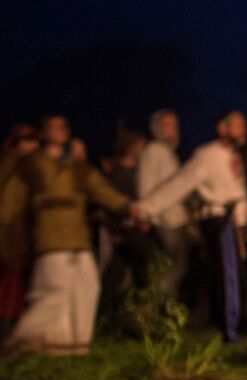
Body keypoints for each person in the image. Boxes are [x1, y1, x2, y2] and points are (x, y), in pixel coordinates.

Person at [4, 115, 144, 354]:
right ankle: (22, 340)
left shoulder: (78, 167)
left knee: (88, 288)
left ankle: (74, 345)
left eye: (65, 126)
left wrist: (129, 207)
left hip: (79, 239)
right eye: (56, 126)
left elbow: (102, 191)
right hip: (50, 239)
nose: (63, 129)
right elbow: (11, 202)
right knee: (55, 292)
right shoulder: (31, 165)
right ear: (44, 133)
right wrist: (11, 241)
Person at [135, 111, 247, 342]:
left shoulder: (234, 156)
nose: (243, 129)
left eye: (244, 124)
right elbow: (180, 184)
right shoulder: (207, 155)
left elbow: (241, 193)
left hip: (234, 223)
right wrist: (145, 209)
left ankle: (222, 325)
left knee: (231, 277)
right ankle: (228, 332)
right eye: (237, 125)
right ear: (222, 128)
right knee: (227, 278)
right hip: (219, 221)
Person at [136, 108, 190, 299]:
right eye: (168, 124)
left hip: (176, 218)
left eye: (175, 124)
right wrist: (146, 215)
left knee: (178, 266)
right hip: (165, 219)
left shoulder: (168, 152)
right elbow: (146, 184)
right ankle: (155, 305)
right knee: (172, 266)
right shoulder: (154, 151)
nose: (173, 129)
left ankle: (165, 307)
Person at [0, 124, 41, 331]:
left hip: (25, 235)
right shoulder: (9, 161)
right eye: (26, 140)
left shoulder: (31, 164)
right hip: (10, 234)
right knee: (11, 285)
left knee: (18, 285)